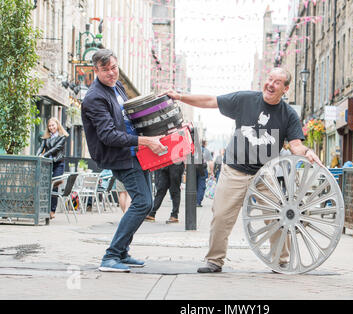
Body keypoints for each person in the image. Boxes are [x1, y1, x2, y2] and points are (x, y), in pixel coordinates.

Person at [165, 67, 322, 273]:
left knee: (278, 217)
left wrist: (307, 152)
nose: (270, 84)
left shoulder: (289, 115)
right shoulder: (245, 100)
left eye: (277, 82)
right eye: (269, 79)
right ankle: (214, 260)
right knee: (221, 215)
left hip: (265, 174)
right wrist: (180, 96)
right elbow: (211, 101)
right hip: (235, 169)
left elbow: (296, 146)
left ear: (286, 89)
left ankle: (281, 261)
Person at [81, 49, 166, 273]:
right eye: (106, 69)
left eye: (114, 67)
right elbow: (108, 135)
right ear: (96, 70)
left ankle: (122, 252)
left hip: (135, 152)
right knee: (142, 203)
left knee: (144, 203)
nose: (112, 73)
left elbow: (129, 116)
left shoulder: (117, 87)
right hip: (120, 156)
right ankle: (110, 257)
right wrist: (146, 141)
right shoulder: (94, 98)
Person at [36, 117, 69, 220]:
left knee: (54, 186)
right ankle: (43, 209)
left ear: (57, 125)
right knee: (45, 185)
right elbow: (41, 147)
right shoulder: (46, 137)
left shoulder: (62, 136)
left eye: (53, 125)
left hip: (58, 163)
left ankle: (52, 210)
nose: (51, 127)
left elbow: (56, 149)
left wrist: (44, 155)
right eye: (49, 126)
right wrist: (37, 156)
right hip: (48, 163)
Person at [196, 140, 213, 207]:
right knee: (201, 185)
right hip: (202, 169)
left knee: (194, 185)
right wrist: (212, 172)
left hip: (193, 170)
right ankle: (198, 202)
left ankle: (194, 201)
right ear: (204, 144)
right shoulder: (206, 151)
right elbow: (211, 162)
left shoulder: (194, 150)